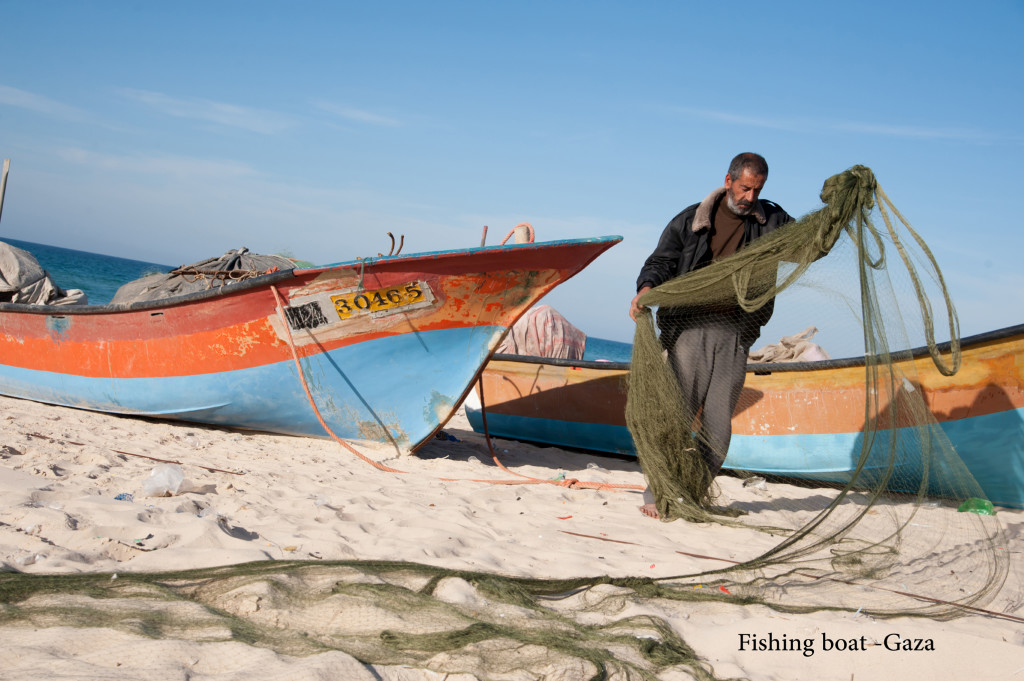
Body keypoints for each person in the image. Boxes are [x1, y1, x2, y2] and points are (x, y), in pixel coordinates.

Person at [628, 153, 793, 518]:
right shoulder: (692, 218)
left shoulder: (772, 220)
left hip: (735, 335)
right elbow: (661, 261)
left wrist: (837, 214)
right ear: (729, 180)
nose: (750, 197)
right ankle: (657, 492)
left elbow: (808, 246)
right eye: (745, 187)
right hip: (688, 329)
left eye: (757, 189)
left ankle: (691, 493)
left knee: (718, 428)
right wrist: (646, 287)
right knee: (677, 416)